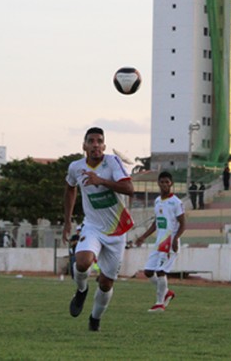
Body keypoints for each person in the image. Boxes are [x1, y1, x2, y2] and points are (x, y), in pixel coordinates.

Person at [63, 127, 135, 332]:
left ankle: (95, 319)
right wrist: (67, 221)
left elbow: (129, 189)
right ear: (84, 146)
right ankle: (81, 290)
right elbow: (69, 188)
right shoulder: (75, 167)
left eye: (99, 141)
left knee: (105, 284)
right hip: (93, 226)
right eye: (91, 141)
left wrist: (101, 180)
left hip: (117, 231)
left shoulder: (112, 162)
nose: (95, 144)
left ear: (104, 146)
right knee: (83, 261)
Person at [133, 171, 186, 312]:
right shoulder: (157, 201)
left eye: (167, 182)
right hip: (159, 242)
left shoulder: (176, 202)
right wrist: (143, 236)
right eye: (161, 182)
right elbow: (156, 222)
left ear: (171, 184)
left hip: (170, 242)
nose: (164, 185)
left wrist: (176, 239)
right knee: (149, 271)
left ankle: (159, 303)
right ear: (158, 183)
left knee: (161, 271)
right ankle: (167, 292)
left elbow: (183, 224)